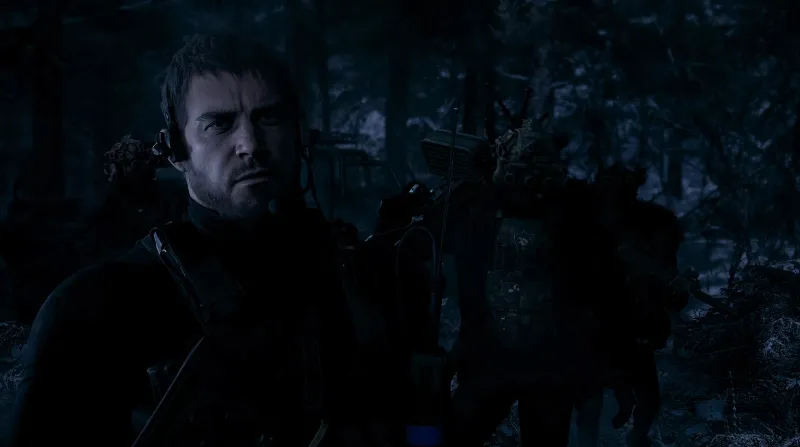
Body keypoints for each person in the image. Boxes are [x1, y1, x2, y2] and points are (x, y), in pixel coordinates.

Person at [9, 33, 429, 447]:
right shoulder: (100, 305)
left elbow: (418, 420)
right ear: (176, 148)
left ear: (297, 134)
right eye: (219, 124)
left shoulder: (350, 278)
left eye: (268, 118)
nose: (251, 145)